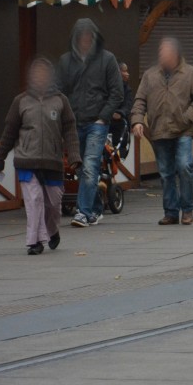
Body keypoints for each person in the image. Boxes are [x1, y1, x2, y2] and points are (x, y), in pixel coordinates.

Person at [0, 58, 80, 255]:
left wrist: (74, 156)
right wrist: (0, 158)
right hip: (26, 160)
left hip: (52, 161)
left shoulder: (60, 100)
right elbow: (9, 132)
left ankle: (52, 230)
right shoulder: (20, 101)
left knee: (53, 203)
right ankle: (35, 241)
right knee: (35, 200)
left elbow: (70, 130)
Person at [131, 38, 193, 226]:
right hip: (159, 129)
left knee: (184, 167)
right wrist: (137, 121)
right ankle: (171, 212)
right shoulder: (150, 75)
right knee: (166, 173)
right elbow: (140, 100)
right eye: (160, 51)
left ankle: (187, 210)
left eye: (165, 51)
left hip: (182, 129)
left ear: (175, 54)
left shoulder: (190, 73)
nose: (161, 54)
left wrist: (188, 116)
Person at [56, 18, 124, 228]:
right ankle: (94, 208)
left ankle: (83, 212)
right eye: (81, 36)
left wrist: (103, 116)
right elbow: (59, 91)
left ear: (94, 38)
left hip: (97, 123)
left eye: (88, 36)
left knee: (90, 165)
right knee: (80, 168)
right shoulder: (66, 62)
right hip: (74, 123)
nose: (85, 40)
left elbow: (117, 92)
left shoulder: (107, 59)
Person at [109, 62, 135, 159]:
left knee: (120, 153)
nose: (127, 74)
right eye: (124, 71)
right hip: (106, 123)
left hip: (120, 125)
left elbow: (128, 105)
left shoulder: (127, 89)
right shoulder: (107, 86)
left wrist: (120, 113)